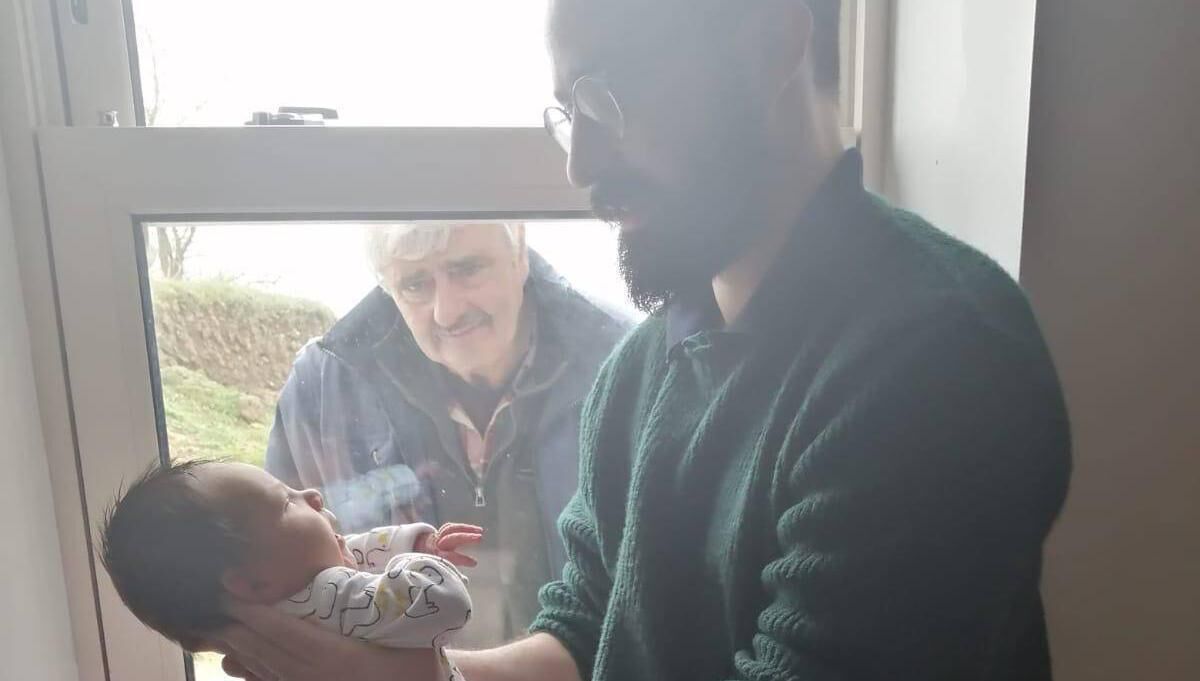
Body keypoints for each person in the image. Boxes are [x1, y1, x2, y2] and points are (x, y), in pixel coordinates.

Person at [216, 1, 1072, 679]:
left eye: (608, 98)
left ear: (773, 47)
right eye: (567, 111)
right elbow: (587, 629)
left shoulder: (934, 359)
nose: (582, 164)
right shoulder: (644, 366)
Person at [265, 221, 630, 646]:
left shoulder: (627, 362)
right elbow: (277, 574)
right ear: (388, 288)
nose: (448, 312)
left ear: (519, 254)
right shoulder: (323, 388)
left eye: (468, 268)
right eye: (416, 284)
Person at [100, 460, 483, 681]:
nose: (311, 495)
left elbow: (347, 555)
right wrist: (419, 561)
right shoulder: (328, 598)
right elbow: (442, 602)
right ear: (250, 582)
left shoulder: (291, 611)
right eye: (286, 502)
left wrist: (408, 543)